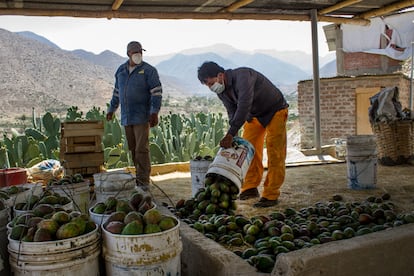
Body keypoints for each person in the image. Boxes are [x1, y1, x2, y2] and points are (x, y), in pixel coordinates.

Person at [197, 61, 288, 208]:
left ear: (220, 75)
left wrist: (230, 134)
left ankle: (271, 194)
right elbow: (232, 112)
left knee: (275, 152)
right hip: (254, 115)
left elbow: (244, 105)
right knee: (247, 150)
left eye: (210, 83)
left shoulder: (243, 76)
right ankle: (250, 187)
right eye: (207, 85)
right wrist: (233, 135)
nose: (211, 88)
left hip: (275, 110)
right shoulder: (222, 91)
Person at [106, 41, 162, 191]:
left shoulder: (149, 70)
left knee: (141, 149)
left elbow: (156, 92)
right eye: (135, 52)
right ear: (128, 54)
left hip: (142, 117)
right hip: (127, 117)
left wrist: (154, 112)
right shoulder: (121, 71)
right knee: (132, 148)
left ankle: (143, 182)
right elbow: (117, 92)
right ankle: (138, 177)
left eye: (140, 51)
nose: (138, 54)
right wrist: (112, 109)